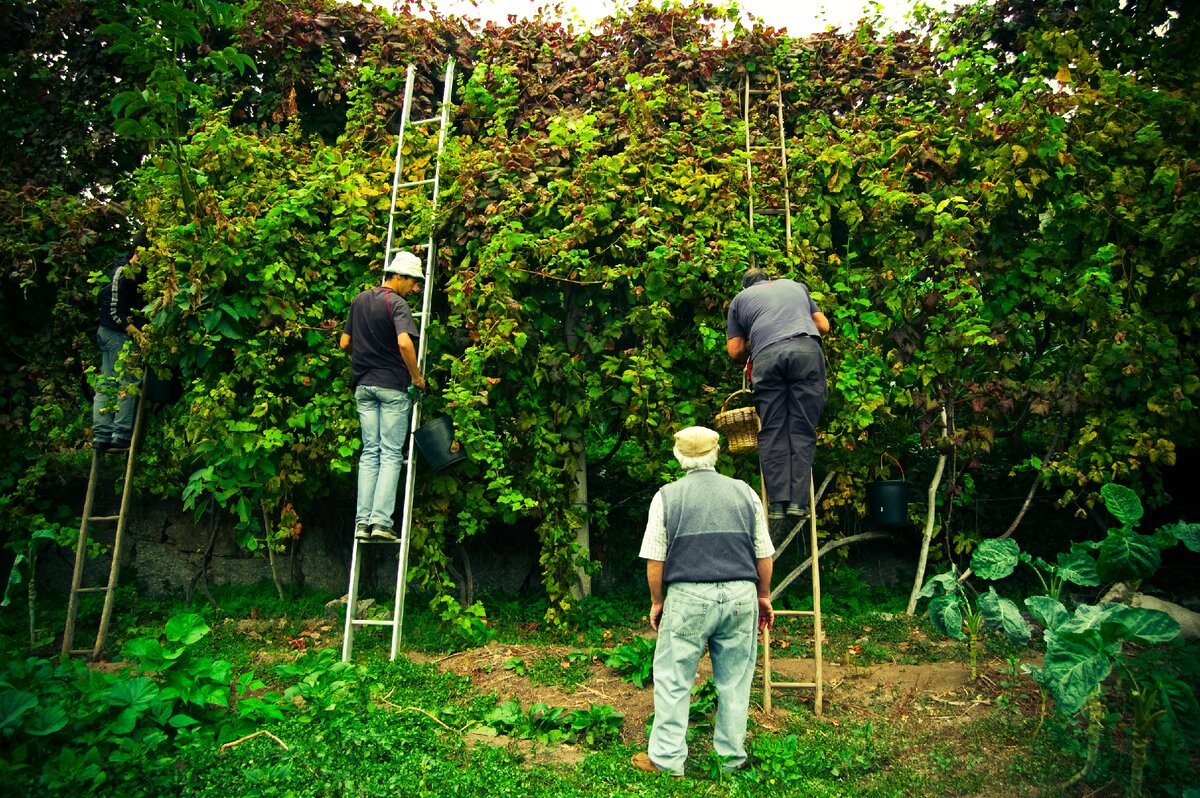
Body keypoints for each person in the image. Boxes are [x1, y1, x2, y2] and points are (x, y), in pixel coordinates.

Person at [632, 426, 775, 777]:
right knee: (735, 681)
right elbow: (763, 555)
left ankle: (666, 760)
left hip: (688, 596)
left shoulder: (666, 496)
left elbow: (655, 562)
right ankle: (730, 759)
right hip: (741, 594)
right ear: (716, 453)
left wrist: (657, 602)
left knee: (673, 678)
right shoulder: (745, 493)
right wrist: (762, 595)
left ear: (679, 456)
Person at [726, 267, 830, 526]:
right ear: (769, 279)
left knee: (773, 429)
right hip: (806, 351)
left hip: (767, 357)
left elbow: (735, 351)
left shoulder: (740, 301)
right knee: (802, 427)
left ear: (745, 287)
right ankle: (798, 503)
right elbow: (823, 326)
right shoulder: (795, 286)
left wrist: (756, 335)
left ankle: (777, 504)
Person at [339, 251, 427, 542]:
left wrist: (366, 359)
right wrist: (416, 377)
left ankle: (361, 522)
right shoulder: (397, 304)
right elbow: (404, 343)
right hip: (392, 386)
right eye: (413, 282)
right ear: (398, 276)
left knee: (369, 453)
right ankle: (380, 522)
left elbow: (344, 343)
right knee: (390, 453)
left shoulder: (359, 299)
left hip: (363, 387)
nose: (415, 289)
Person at [92, 231, 149, 454]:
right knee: (127, 382)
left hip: (112, 333)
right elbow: (115, 312)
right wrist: (138, 335)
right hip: (115, 335)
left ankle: (102, 434)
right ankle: (120, 434)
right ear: (137, 252)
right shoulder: (121, 273)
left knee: (106, 383)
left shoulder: (138, 275)